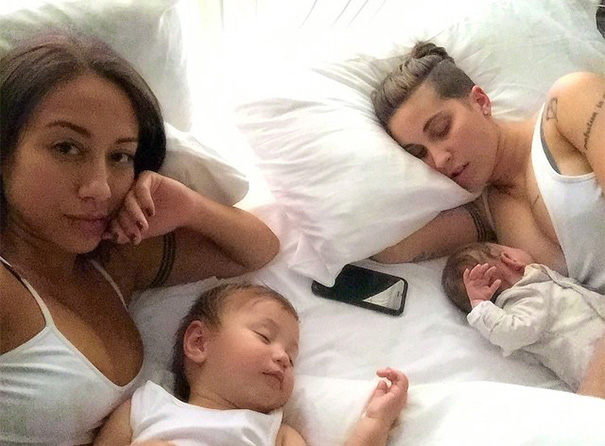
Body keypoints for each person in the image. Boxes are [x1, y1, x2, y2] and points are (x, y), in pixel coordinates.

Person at [0, 32, 282, 445]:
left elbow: (257, 249)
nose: (100, 187)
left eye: (120, 156)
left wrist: (189, 206)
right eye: (67, 148)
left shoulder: (116, 262)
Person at [371, 41, 605, 296]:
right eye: (419, 153)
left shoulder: (568, 103)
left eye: (441, 129)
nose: (439, 160)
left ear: (481, 101)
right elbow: (386, 248)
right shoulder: (490, 213)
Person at [94, 283, 409, 446]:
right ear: (199, 343)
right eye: (264, 336)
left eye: (292, 358)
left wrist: (374, 423)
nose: (283, 357)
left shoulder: (277, 434)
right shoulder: (145, 406)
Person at [441, 242, 605, 397]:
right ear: (510, 259)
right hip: (594, 363)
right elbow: (509, 333)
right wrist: (480, 306)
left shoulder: (539, 283)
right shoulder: (525, 300)